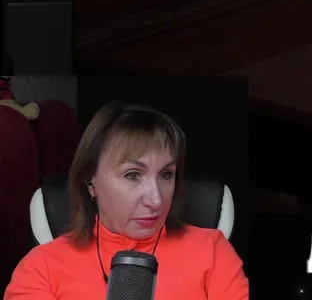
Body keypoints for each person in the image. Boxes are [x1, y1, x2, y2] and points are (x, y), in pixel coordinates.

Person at [4, 103, 249, 299]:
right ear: (91, 181)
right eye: (133, 175)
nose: (156, 200)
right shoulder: (41, 268)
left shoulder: (213, 252)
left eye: (166, 174)